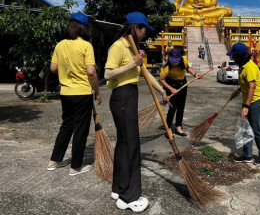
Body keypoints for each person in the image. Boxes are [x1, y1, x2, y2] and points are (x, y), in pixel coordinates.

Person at [104, 12, 169, 212]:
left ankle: (118, 188)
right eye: (143, 30)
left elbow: (146, 74)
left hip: (129, 96)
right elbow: (107, 73)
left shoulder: (133, 48)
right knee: (130, 144)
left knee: (125, 144)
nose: (144, 34)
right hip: (122, 97)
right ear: (135, 28)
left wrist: (163, 92)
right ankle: (129, 197)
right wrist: (132, 63)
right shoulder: (118, 46)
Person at [47, 12, 102, 176]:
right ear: (84, 28)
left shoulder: (60, 45)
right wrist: (98, 92)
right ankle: (75, 166)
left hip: (65, 93)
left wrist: (67, 67)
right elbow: (91, 72)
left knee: (66, 126)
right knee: (80, 130)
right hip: (82, 93)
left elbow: (53, 68)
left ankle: (54, 161)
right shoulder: (86, 46)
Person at [228, 43, 260, 166]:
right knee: (247, 129)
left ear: (240, 56)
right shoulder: (243, 66)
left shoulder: (249, 67)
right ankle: (247, 155)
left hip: (257, 102)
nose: (232, 59)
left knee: (257, 129)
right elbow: (246, 84)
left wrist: (246, 106)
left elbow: (252, 86)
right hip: (248, 101)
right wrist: (238, 91)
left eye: (234, 56)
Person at [159, 49, 202, 137]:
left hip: (183, 84)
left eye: (176, 61)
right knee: (172, 107)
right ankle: (169, 129)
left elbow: (187, 68)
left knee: (181, 107)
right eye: (173, 61)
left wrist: (195, 74)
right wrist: (170, 89)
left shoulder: (184, 59)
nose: (175, 63)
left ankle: (178, 127)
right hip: (171, 85)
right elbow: (161, 79)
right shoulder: (166, 66)